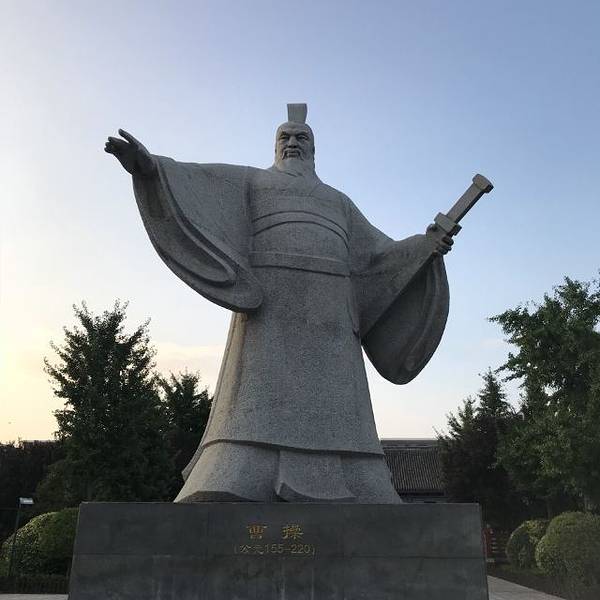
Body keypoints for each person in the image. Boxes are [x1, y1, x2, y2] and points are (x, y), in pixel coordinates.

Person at [105, 104, 453, 503]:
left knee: (339, 402)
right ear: (274, 146)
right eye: (284, 137)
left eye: (301, 137)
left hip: (332, 309)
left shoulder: (338, 202)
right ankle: (238, 470)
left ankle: (358, 473)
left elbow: (377, 256)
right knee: (255, 395)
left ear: (313, 149)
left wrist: (423, 247)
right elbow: (200, 181)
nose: (292, 143)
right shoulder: (252, 181)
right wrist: (150, 168)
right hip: (271, 300)